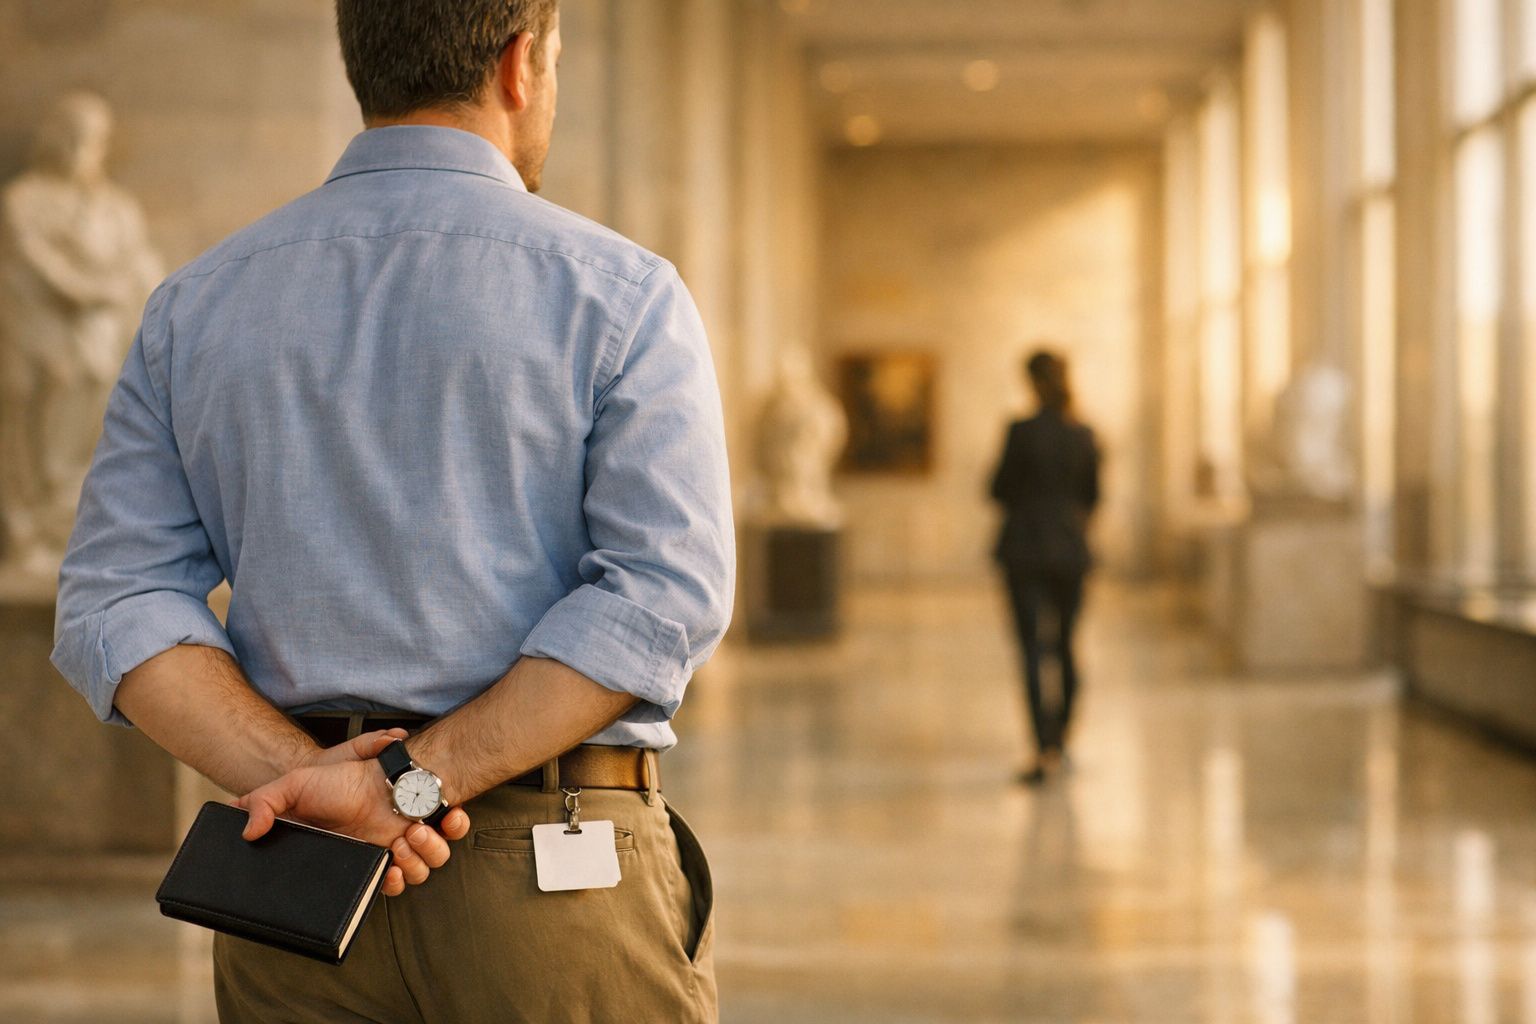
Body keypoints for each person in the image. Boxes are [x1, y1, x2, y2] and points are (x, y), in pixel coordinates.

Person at [51, 1, 733, 1020]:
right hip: (552, 878)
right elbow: (664, 592)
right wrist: (412, 782)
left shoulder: (196, 304)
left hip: (295, 881)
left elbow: (114, 600)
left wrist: (313, 781)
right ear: (520, 64)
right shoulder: (621, 293)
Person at [989, 349, 1100, 786]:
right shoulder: (1084, 434)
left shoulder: (1022, 432)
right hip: (1070, 549)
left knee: (1033, 649)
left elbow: (998, 489)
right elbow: (1092, 496)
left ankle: (1042, 746)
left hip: (1025, 549)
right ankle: (1062, 738)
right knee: (1067, 644)